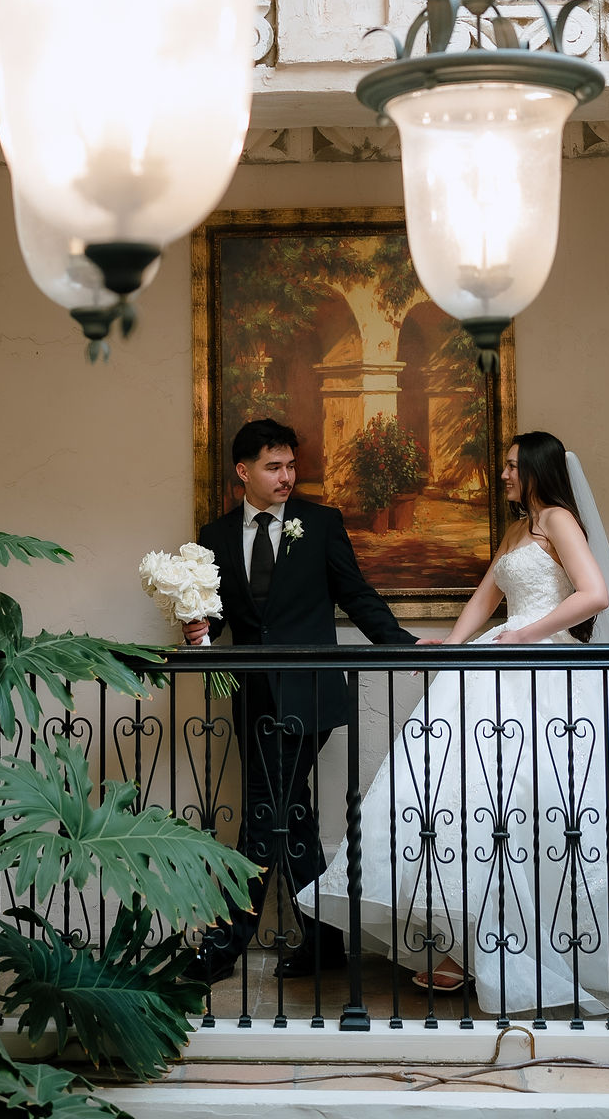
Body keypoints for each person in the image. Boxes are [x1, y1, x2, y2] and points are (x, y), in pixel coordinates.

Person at [306, 430, 609, 1016]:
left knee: (561, 811)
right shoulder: (519, 528)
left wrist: (527, 635)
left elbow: (594, 595)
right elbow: (485, 596)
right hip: (500, 664)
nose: (505, 475)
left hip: (547, 668)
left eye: (514, 466)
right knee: (478, 809)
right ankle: (478, 948)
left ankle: (575, 949)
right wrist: (451, 648)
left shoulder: (560, 521)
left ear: (539, 469)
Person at [185, 417, 418, 983]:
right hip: (252, 697)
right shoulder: (213, 537)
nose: (286, 476)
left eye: (291, 465)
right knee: (293, 816)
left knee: (264, 816)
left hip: (310, 695)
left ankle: (223, 946)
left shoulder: (320, 523)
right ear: (244, 472)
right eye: (274, 467)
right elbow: (212, 617)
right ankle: (325, 943)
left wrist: (406, 645)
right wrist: (199, 633)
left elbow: (356, 594)